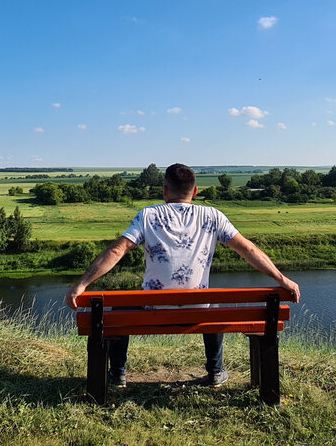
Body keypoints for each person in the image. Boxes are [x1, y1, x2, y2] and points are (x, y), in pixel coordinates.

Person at [64, 163, 301, 388]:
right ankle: (216, 372)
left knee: (118, 310)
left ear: (165, 191)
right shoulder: (213, 216)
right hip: (197, 310)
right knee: (214, 306)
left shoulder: (148, 215)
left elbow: (118, 250)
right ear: (195, 191)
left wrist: (82, 284)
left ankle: (118, 374)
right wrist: (282, 279)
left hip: (152, 311)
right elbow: (248, 249)